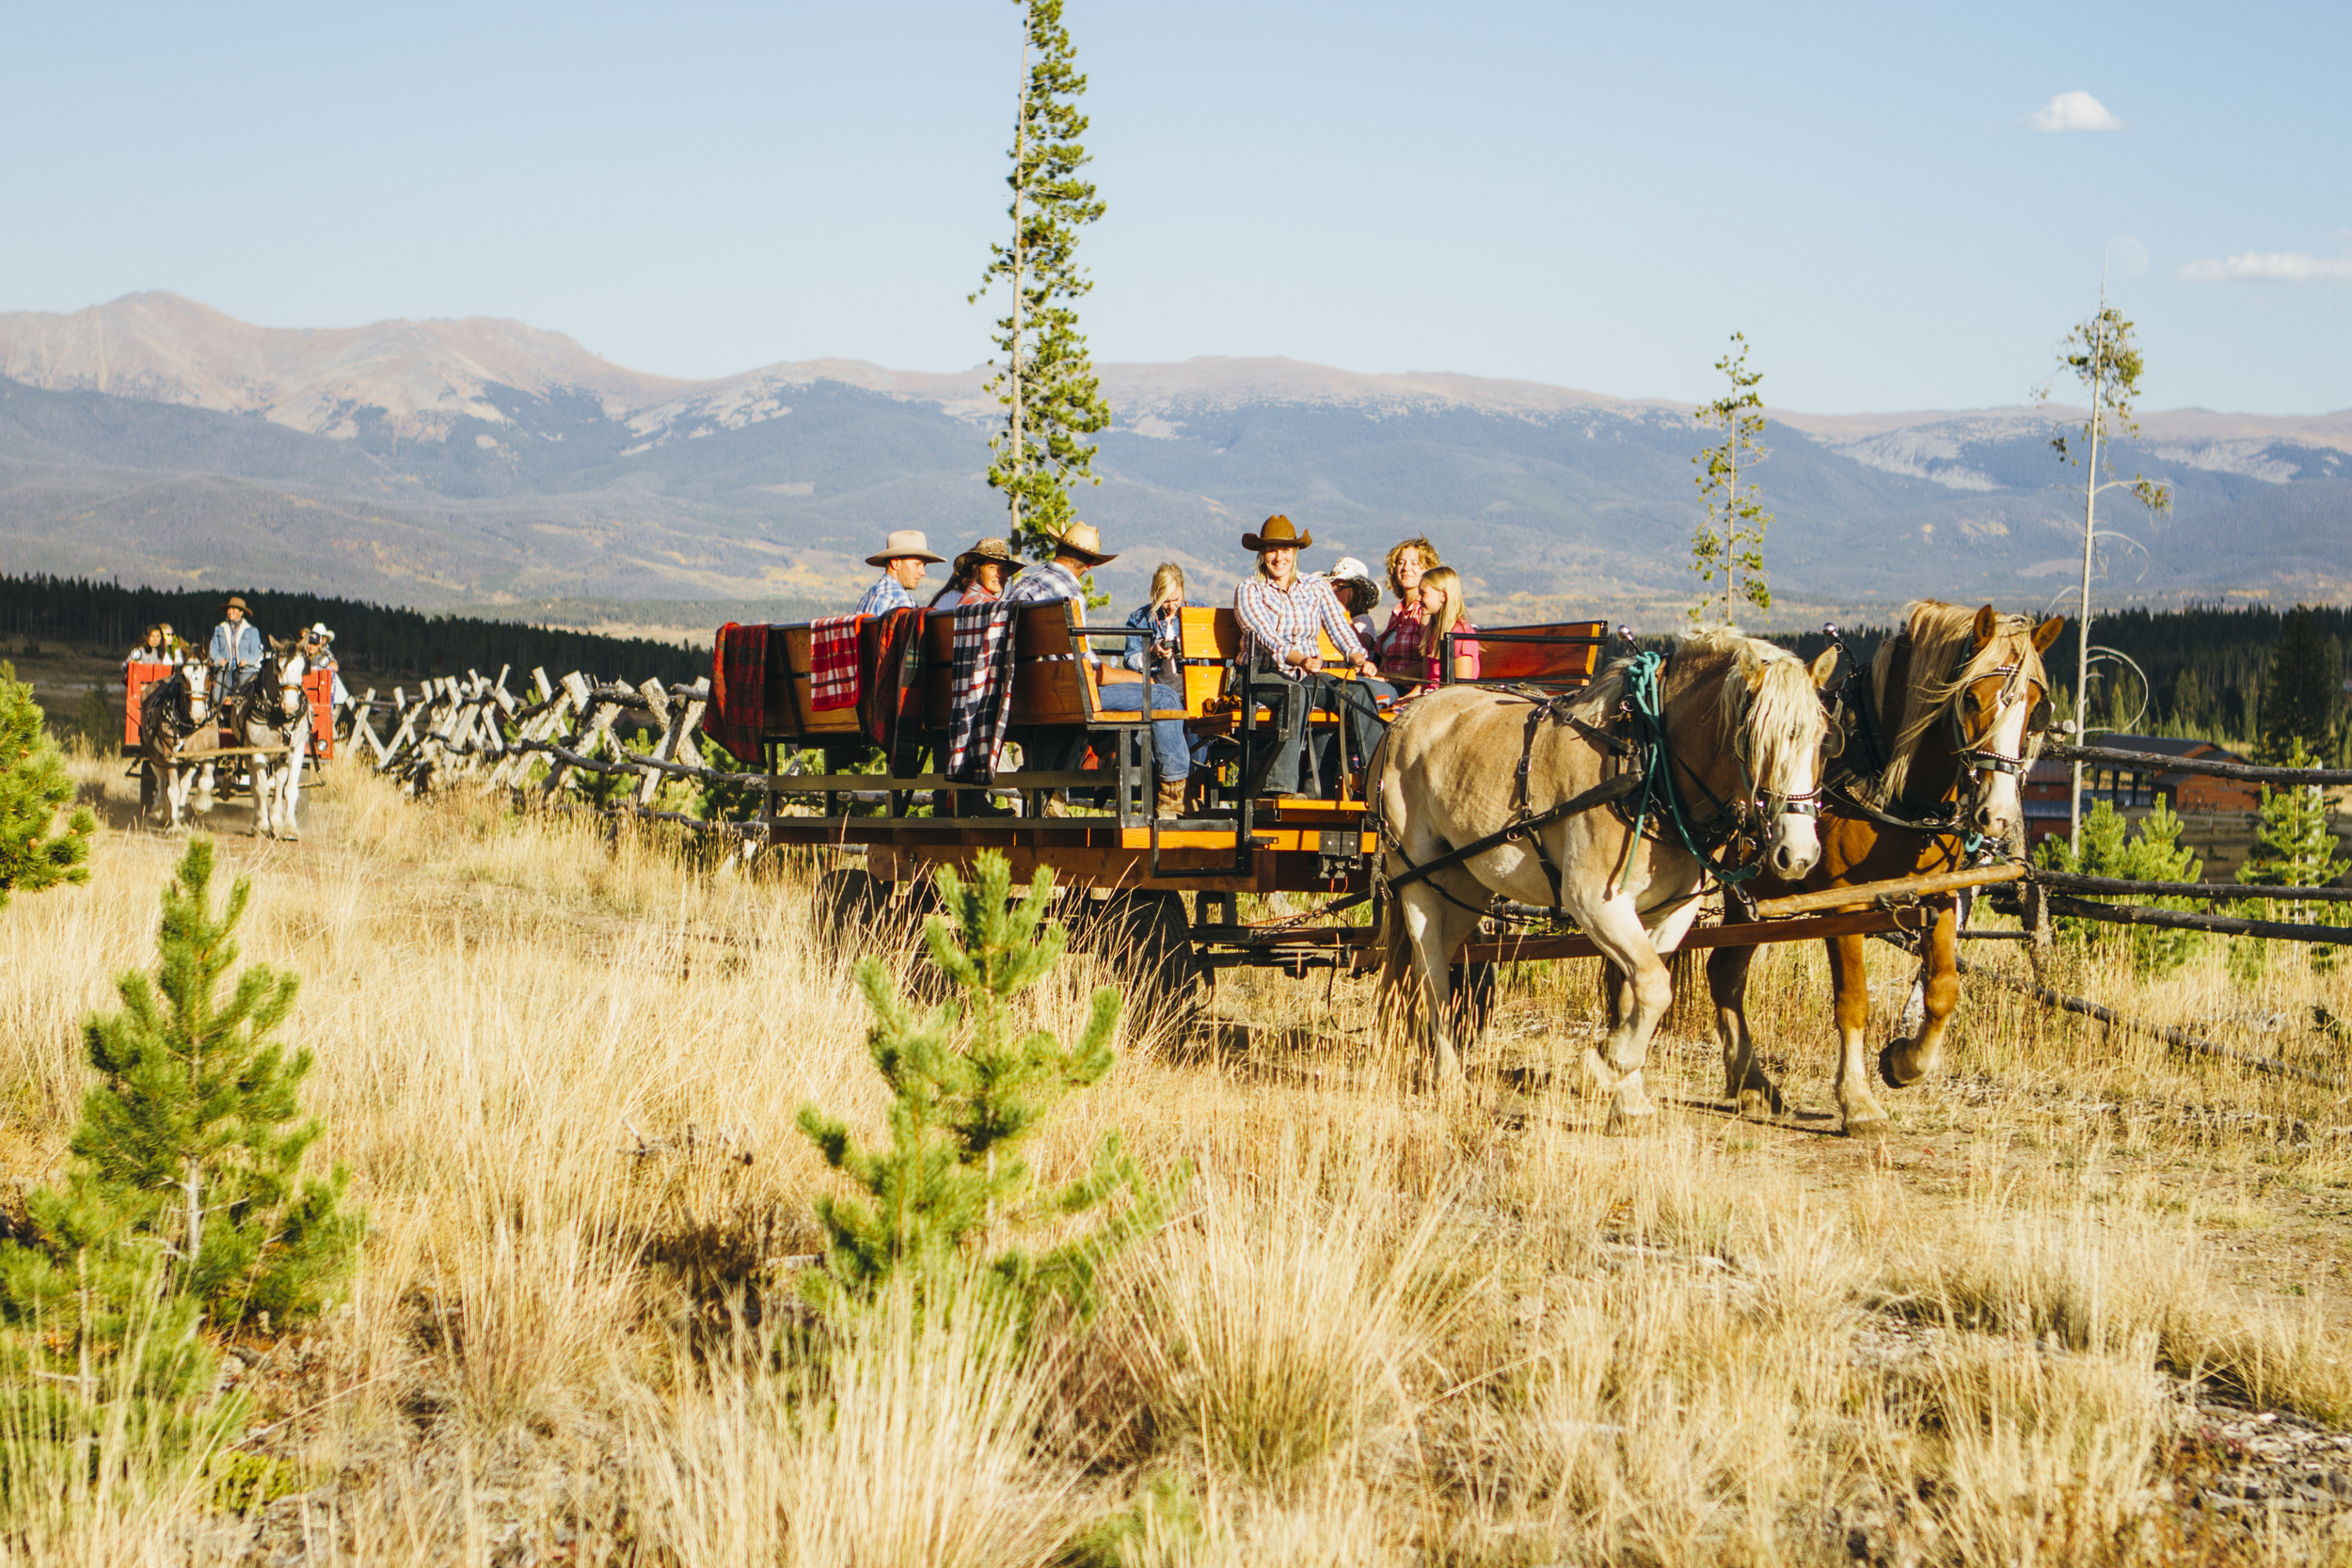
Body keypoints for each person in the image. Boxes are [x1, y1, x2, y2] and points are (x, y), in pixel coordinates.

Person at [1003, 522, 1192, 819]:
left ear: (1058, 549)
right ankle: (1172, 801)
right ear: (1089, 564)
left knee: (1143, 693)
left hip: (1025, 695)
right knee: (1165, 697)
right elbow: (1089, 669)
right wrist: (1143, 678)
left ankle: (1048, 788)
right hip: (1067, 694)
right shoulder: (1068, 592)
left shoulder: (1023, 585)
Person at [1232, 515, 1391, 798]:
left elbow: (1339, 627)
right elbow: (1266, 636)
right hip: (1259, 674)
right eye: (1271, 550)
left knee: (1360, 693)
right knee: (1295, 695)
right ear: (1262, 555)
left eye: (1285, 551)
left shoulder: (1315, 588)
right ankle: (1278, 789)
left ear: (1295, 553)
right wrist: (1300, 659)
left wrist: (1358, 657)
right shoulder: (1249, 590)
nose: (1279, 557)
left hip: (1305, 677)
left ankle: (1377, 783)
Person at [1371, 536, 1440, 686]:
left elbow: (1429, 664)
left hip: (1407, 689)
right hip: (1385, 683)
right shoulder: (1397, 613)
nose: (1406, 568)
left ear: (1428, 570)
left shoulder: (1426, 611)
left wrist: (1386, 679)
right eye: (1401, 562)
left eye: (1414, 563)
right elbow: (1385, 662)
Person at [1410, 566, 1481, 693]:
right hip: (1429, 696)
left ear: (1443, 595)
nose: (1418, 599)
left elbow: (1461, 689)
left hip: (1446, 700)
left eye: (1423, 593)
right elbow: (1425, 680)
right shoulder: (1429, 632)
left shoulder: (1462, 636)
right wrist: (1407, 698)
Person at [852, 530, 946, 615]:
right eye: (916, 565)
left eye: (923, 566)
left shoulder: (868, 597)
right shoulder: (902, 601)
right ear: (895, 563)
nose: (923, 572)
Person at [930, 537, 1021, 610]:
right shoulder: (957, 598)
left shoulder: (987, 602)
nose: (999, 574)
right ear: (976, 571)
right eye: (992, 567)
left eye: (1004, 569)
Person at [1321, 556, 1381, 650]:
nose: (1333, 592)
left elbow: (1362, 644)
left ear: (1358, 590)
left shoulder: (1363, 621)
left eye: (1339, 587)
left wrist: (1339, 608)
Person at [209, 595, 263, 694]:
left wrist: (247, 661)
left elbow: (256, 651)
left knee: (244, 697)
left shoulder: (252, 631)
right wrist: (219, 659)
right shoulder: (219, 629)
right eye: (229, 609)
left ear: (241, 612)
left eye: (234, 609)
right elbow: (213, 649)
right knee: (216, 696)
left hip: (246, 671)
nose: (230, 612)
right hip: (226, 669)